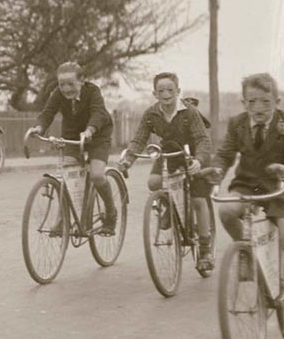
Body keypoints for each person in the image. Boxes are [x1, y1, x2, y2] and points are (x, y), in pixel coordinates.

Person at [206, 73, 284, 337]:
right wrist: (218, 170)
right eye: (252, 102)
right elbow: (225, 153)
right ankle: (249, 253)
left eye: (265, 102)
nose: (258, 109)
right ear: (243, 102)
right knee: (227, 211)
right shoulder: (237, 124)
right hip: (249, 184)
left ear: (276, 102)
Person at [119, 72, 214, 269]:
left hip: (193, 155)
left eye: (170, 90)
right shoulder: (151, 114)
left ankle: (205, 251)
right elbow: (139, 138)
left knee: (198, 199)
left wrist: (199, 160)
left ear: (178, 91)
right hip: (169, 153)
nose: (166, 94)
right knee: (153, 182)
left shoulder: (189, 112)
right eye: (161, 90)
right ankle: (169, 206)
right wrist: (128, 160)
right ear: (155, 94)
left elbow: (203, 140)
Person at [24, 61, 117, 234]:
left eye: (71, 84)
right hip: (73, 137)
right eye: (62, 84)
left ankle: (111, 213)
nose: (66, 89)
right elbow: (47, 113)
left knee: (97, 175)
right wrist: (39, 127)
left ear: (82, 81)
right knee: (66, 176)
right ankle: (63, 219)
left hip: (97, 135)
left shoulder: (93, 91)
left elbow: (98, 112)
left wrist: (90, 130)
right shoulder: (58, 94)